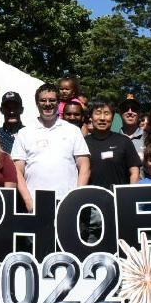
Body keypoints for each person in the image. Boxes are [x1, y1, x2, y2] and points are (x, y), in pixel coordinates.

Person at [11, 83, 90, 211]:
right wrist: (28, 201)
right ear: (37, 103)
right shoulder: (24, 133)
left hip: (67, 202)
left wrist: (76, 198)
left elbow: (85, 166)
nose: (47, 104)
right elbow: (17, 171)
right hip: (35, 202)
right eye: (43, 100)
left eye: (52, 100)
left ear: (58, 103)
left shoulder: (73, 131)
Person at [85, 100, 140, 188]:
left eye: (107, 113)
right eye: (98, 113)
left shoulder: (124, 141)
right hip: (92, 198)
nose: (102, 118)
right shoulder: (83, 143)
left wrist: (131, 194)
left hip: (119, 198)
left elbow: (135, 172)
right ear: (91, 117)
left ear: (113, 117)